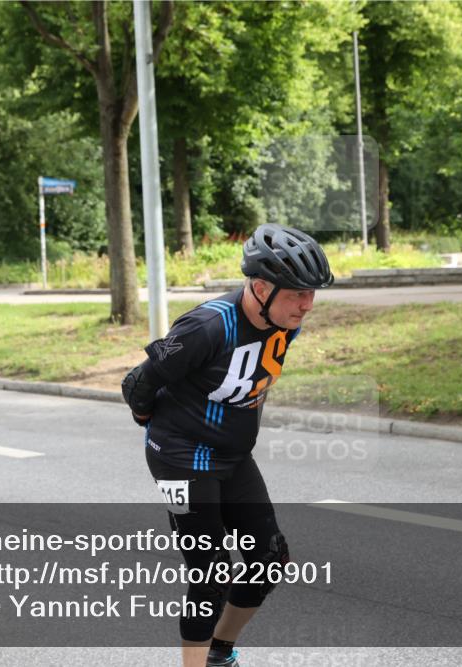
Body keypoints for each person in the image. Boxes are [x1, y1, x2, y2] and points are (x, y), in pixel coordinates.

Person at [122, 224, 334, 667]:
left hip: (232, 457)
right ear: (260, 287)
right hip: (181, 456)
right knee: (212, 572)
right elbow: (137, 383)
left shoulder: (283, 322)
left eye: (312, 294)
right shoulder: (207, 326)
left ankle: (219, 652)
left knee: (269, 559)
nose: (308, 305)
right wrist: (153, 424)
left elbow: (255, 383)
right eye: (298, 294)